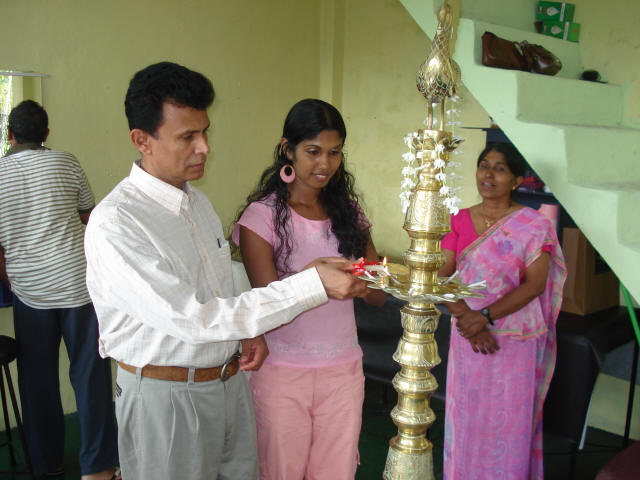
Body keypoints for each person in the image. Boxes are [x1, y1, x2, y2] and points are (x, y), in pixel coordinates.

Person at [83, 63, 368, 480]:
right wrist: (311, 284)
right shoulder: (118, 223)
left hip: (228, 379)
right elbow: (193, 317)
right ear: (142, 140)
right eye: (187, 137)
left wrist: (247, 333)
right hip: (167, 395)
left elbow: (219, 289)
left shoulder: (197, 204)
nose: (204, 148)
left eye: (205, 132)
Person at [232, 98, 386, 480]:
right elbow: (268, 304)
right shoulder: (261, 218)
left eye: (335, 152)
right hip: (282, 372)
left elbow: (378, 293)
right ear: (288, 150)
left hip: (343, 370)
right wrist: (317, 281)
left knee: (337, 471)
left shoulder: (349, 214)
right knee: (281, 471)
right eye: (313, 151)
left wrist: (362, 283)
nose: (325, 164)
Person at [0, 100, 118, 479]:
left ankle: (46, 464)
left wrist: (13, 281)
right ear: (46, 134)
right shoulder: (66, 161)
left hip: (30, 292)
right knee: (90, 377)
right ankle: (99, 465)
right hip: (77, 285)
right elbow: (89, 216)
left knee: (37, 381)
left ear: (9, 134)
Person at [438, 142, 567, 479]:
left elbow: (535, 285)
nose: (488, 174)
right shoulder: (459, 219)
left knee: (509, 424)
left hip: (513, 340)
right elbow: (442, 276)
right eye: (484, 165)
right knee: (467, 417)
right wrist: (467, 318)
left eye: (500, 168)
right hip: (469, 336)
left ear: (516, 180)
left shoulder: (534, 226)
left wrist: (482, 318)